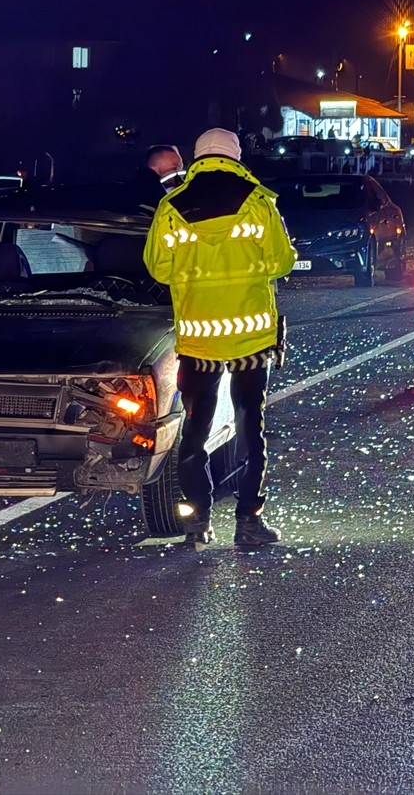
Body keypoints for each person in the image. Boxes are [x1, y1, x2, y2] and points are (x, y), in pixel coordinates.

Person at [142, 128, 296, 547]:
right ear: (236, 157)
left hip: (198, 341)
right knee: (249, 427)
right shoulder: (259, 201)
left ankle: (196, 521)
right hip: (250, 341)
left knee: (195, 431)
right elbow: (281, 263)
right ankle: (248, 522)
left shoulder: (172, 205)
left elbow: (158, 267)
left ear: (197, 158)